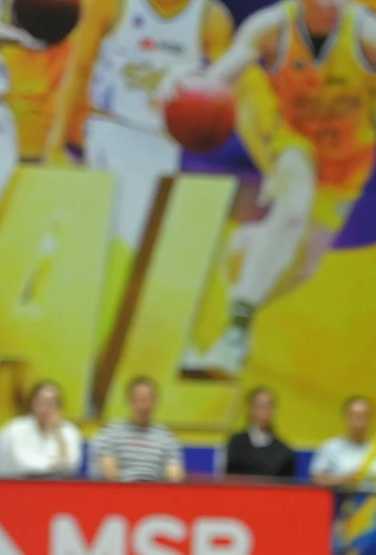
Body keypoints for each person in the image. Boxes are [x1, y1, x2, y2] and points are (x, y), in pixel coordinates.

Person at [182, 0, 376, 379]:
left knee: (302, 267)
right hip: (291, 142)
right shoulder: (271, 28)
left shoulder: (368, 35)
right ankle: (235, 335)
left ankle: (248, 259)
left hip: (347, 166)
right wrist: (189, 92)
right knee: (294, 206)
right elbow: (221, 75)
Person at [45, 0, 234, 323]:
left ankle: (160, 332)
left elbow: (229, 89)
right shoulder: (111, 6)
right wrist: (55, 141)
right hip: (109, 128)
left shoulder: (212, 19)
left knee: (144, 246)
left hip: (161, 143)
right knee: (89, 232)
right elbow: (79, 67)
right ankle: (54, 306)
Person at [91, 376, 182, 481]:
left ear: (156, 402)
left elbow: (174, 475)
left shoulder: (166, 437)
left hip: (156, 492)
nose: (144, 405)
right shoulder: (111, 432)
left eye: (148, 399)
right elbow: (107, 468)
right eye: (139, 399)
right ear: (129, 401)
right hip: (121, 491)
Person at [0, 381, 83, 478]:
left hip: (55, 485)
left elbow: (72, 463)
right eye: (42, 402)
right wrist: (55, 465)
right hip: (14, 486)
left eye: (53, 403)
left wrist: (59, 434)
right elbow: (24, 464)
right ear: (31, 403)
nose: (47, 408)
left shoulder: (67, 430)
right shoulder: (15, 429)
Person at [222, 386, 296, 479]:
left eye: (267, 407)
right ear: (249, 409)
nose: (262, 412)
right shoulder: (235, 443)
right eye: (258, 406)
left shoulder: (283, 451)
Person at [309, 395, 376, 488]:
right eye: (355, 416)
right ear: (346, 417)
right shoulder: (330, 447)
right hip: (340, 500)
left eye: (364, 416)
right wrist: (346, 480)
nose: (360, 422)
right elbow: (316, 479)